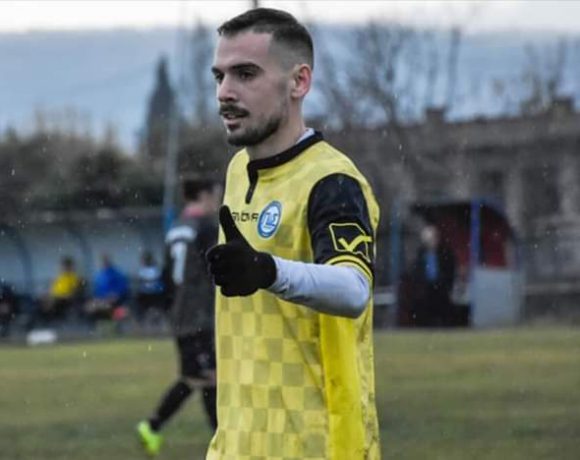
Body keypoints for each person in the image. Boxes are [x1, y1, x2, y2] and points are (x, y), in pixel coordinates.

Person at [206, 8, 381, 459]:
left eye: (246, 74)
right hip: (238, 445)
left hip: (317, 445)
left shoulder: (331, 180)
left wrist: (267, 271)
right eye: (220, 76)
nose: (225, 92)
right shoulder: (239, 169)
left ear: (299, 82)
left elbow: (353, 289)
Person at [137, 177, 221, 456]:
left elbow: (166, 275)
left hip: (181, 313)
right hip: (199, 314)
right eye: (216, 195)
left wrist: (171, 308)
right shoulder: (206, 227)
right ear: (204, 195)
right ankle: (219, 439)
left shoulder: (177, 227)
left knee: (198, 377)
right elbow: (217, 271)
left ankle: (154, 426)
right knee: (206, 377)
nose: (217, 201)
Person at [410, 224, 456, 327]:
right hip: (425, 288)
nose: (431, 242)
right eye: (428, 240)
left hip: (441, 287)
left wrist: (447, 284)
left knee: (442, 306)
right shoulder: (421, 254)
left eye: (432, 239)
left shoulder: (445, 253)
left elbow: (450, 270)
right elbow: (416, 271)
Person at [84, 254, 130, 327]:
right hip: (101, 300)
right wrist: (97, 298)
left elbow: (123, 287)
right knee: (89, 307)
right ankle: (94, 328)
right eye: (103, 262)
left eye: (106, 261)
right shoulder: (100, 275)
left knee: (107, 306)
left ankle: (112, 324)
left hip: (114, 300)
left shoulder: (117, 274)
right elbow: (96, 291)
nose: (104, 263)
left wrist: (115, 295)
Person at [42, 256, 83, 325]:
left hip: (66, 299)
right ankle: (45, 319)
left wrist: (63, 296)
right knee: (43, 299)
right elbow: (53, 290)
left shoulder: (74, 277)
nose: (63, 268)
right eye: (63, 266)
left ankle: (48, 320)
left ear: (70, 267)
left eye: (65, 266)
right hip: (57, 297)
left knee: (51, 302)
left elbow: (74, 292)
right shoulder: (60, 277)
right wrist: (48, 295)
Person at [134, 250, 165, 328]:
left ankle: (142, 321)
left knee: (141, 306)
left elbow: (146, 280)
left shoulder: (152, 269)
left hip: (152, 295)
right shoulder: (153, 269)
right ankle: (143, 322)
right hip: (150, 294)